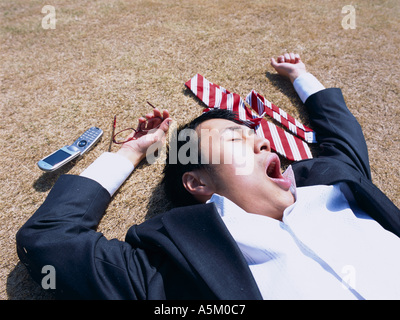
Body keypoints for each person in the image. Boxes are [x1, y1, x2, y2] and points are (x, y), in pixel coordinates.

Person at [16, 53, 400, 300]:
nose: (265, 143)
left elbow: (340, 131)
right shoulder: (175, 268)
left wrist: (301, 75)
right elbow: (51, 240)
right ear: (197, 183)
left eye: (258, 136)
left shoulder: (335, 182)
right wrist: (131, 151)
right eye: (237, 136)